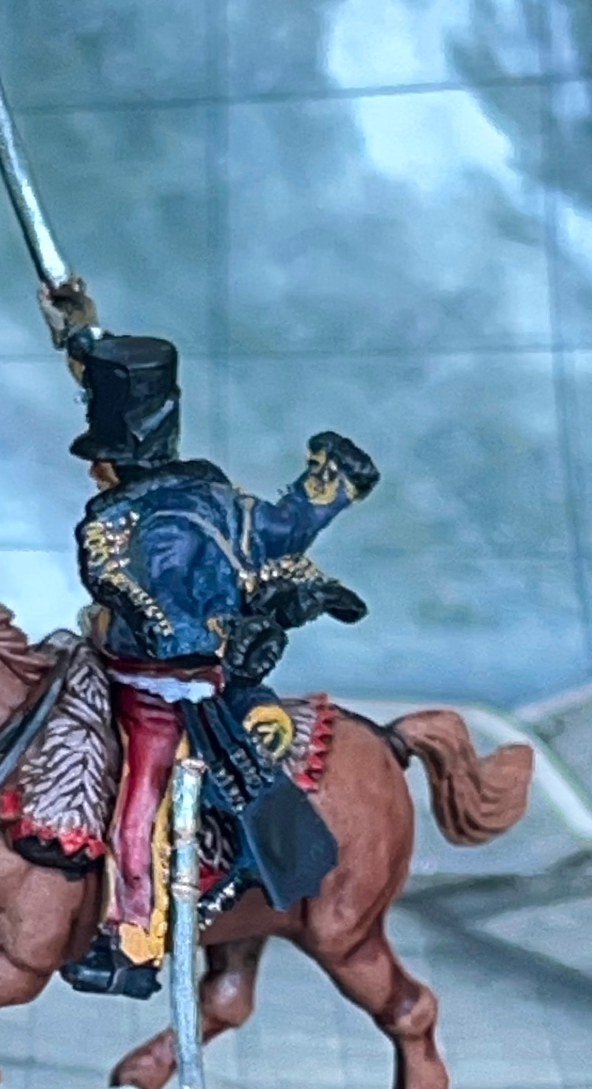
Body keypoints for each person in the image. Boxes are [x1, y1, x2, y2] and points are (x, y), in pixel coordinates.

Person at [45, 304, 378, 997]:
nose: (93, 471)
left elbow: (176, 633)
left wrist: (241, 626)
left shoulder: (148, 531)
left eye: (100, 457)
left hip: (158, 693)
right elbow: (276, 529)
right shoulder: (208, 493)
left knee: (137, 815)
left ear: (117, 459)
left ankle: (132, 942)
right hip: (107, 665)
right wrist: (80, 331)